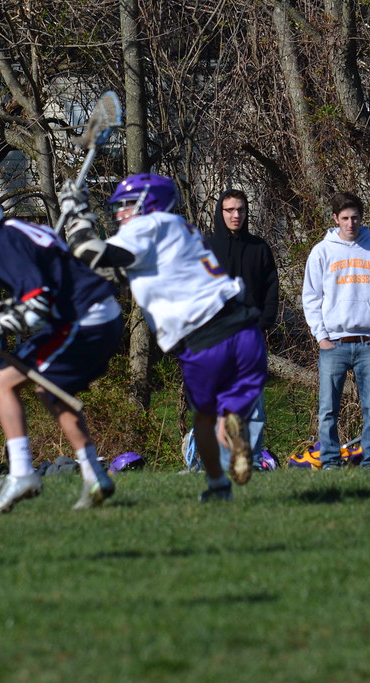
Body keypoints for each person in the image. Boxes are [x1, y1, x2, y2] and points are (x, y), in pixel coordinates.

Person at [63, 173, 267, 502]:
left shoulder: (147, 227)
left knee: (203, 416)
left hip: (203, 338)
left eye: (128, 205)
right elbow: (112, 270)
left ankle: (217, 485)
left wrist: (75, 211)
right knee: (231, 409)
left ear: (150, 203)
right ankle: (234, 422)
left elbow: (90, 253)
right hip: (244, 328)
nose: (121, 213)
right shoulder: (179, 228)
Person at [0, 184, 123, 513]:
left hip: (84, 318)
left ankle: (22, 474)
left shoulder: (4, 243)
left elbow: (35, 307)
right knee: (51, 391)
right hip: (90, 315)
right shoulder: (14, 233)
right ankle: (95, 475)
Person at [301, 192, 370, 469]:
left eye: (355, 217)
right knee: (328, 409)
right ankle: (330, 460)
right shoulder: (322, 251)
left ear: (361, 218)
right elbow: (311, 296)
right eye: (344, 218)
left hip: (368, 342)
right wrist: (321, 336)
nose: (350, 223)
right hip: (334, 343)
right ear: (335, 219)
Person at [207, 189, 278, 471]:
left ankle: (254, 460)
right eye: (229, 210)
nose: (236, 215)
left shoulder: (259, 248)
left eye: (241, 210)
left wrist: (262, 323)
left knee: (254, 406)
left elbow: (271, 289)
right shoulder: (207, 249)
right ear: (220, 213)